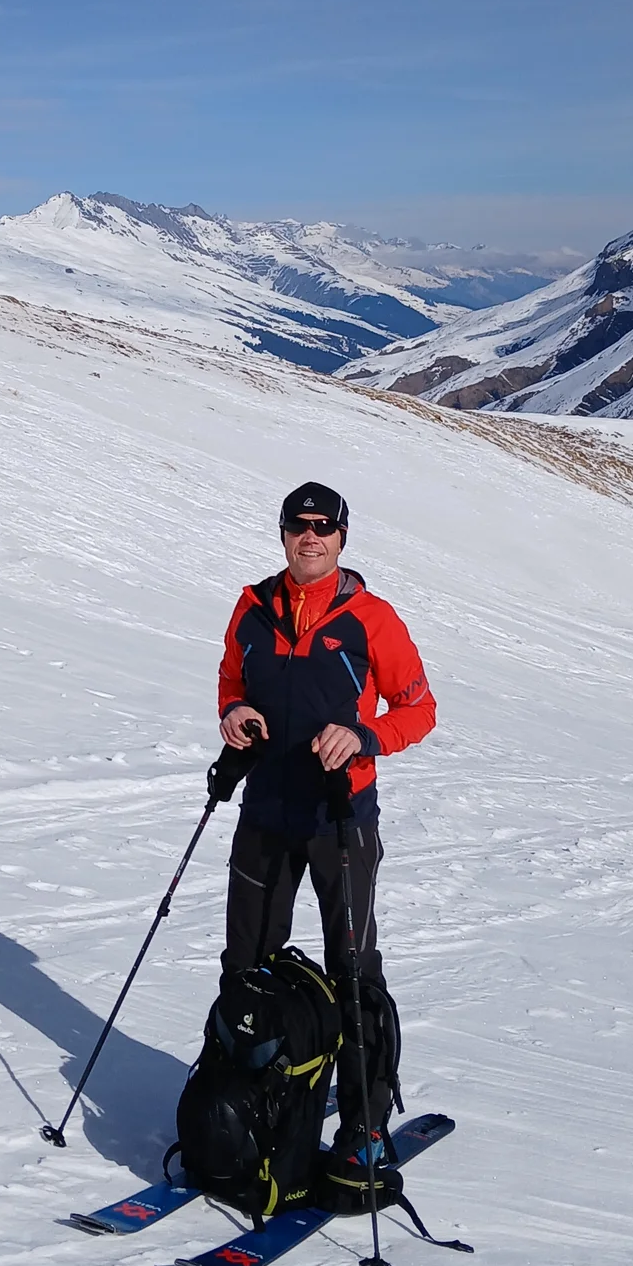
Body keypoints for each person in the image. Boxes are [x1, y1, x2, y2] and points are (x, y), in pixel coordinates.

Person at [217, 480, 437, 1182]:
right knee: (246, 967)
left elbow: (420, 709)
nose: (309, 536)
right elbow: (231, 681)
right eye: (297, 525)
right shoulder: (252, 608)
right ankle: (246, 1110)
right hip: (265, 812)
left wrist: (365, 737)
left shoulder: (372, 619)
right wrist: (233, 713)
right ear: (283, 533)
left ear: (342, 537)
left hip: (340, 819)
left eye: (323, 526)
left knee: (353, 972)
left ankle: (363, 1126)